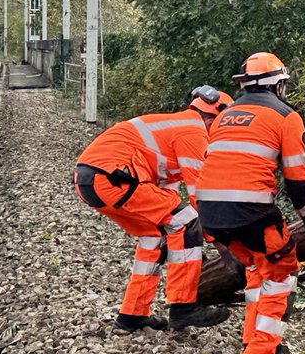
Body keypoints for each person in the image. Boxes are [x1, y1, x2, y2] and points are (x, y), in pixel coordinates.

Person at [196, 52, 305, 354]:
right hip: (250, 212)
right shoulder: (286, 116)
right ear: (279, 84)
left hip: (210, 213)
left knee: (259, 270)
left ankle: (252, 340)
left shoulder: (225, 116)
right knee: (283, 274)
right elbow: (298, 182)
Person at [73, 85, 234, 332]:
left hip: (92, 181)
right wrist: (222, 246)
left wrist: (188, 247)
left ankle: (131, 315)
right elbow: (200, 198)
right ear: (216, 117)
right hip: (114, 177)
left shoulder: (174, 127)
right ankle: (184, 307)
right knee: (188, 222)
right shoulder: (193, 132)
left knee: (154, 238)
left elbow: (166, 195)